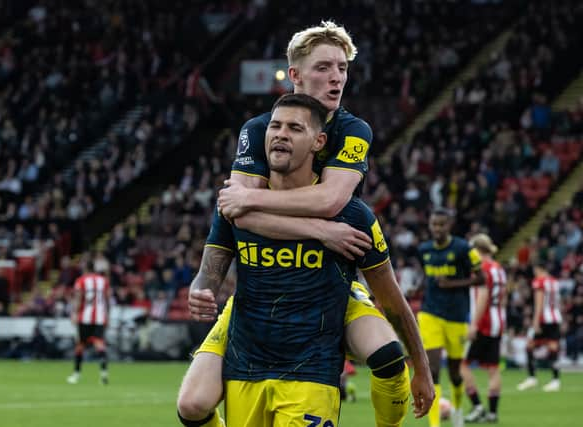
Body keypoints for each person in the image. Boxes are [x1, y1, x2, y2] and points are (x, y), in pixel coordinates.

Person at [178, 21, 433, 427]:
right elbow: (232, 215)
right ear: (294, 75)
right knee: (191, 404)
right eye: (323, 68)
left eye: (342, 68)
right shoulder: (259, 128)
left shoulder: (352, 130)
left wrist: (249, 198)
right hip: (259, 297)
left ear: (317, 142)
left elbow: (332, 200)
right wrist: (319, 230)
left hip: (329, 288)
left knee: (386, 354)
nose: (336, 78)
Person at [417, 208, 486, 427]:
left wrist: (452, 284)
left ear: (450, 225)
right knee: (433, 369)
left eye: (441, 224)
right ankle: (434, 425)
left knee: (456, 374)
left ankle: (456, 411)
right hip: (430, 314)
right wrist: (414, 290)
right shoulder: (424, 250)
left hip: (456, 317)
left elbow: (481, 280)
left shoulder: (464, 249)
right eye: (434, 224)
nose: (437, 229)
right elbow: (428, 279)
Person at [461, 234, 507, 423]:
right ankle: (493, 413)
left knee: (461, 365)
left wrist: (474, 324)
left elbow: (482, 296)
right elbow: (504, 296)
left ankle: (478, 407)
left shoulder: (483, 269)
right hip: (497, 322)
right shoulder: (499, 269)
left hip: (484, 323)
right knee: (493, 368)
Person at [517, 262, 563, 392]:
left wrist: (535, 321)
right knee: (553, 349)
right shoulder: (554, 281)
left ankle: (532, 378)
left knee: (529, 347)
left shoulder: (539, 281)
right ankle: (555, 380)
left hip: (543, 319)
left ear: (538, 269)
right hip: (555, 318)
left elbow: (539, 302)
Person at [66, 261, 111, 385]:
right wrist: (108, 316)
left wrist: (74, 313)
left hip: (85, 317)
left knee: (80, 345)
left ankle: (76, 375)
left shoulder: (81, 280)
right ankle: (104, 374)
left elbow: (79, 298)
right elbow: (107, 300)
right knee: (99, 344)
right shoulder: (104, 281)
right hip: (100, 317)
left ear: (85, 269)